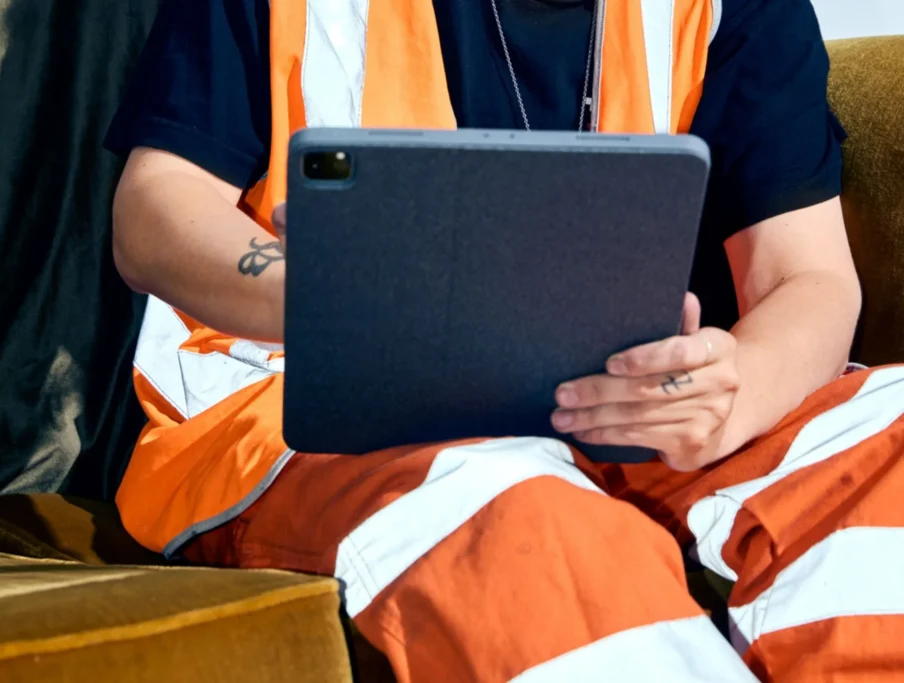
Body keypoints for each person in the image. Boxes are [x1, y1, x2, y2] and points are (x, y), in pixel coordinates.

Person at [105, 1, 904, 680]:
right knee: (529, 522)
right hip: (320, 407)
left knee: (890, 432)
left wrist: (734, 395)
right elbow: (153, 211)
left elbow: (812, 279)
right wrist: (332, 292)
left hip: (619, 402)